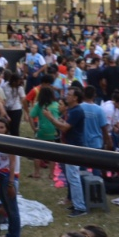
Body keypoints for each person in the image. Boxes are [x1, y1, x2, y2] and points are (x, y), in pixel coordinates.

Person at [43, 86, 88, 217]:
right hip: (70, 145)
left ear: (75, 98)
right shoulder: (72, 110)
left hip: (74, 147)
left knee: (73, 177)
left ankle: (80, 207)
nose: (66, 96)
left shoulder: (77, 111)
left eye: (69, 95)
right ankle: (75, 202)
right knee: (71, 176)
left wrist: (51, 118)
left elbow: (64, 128)